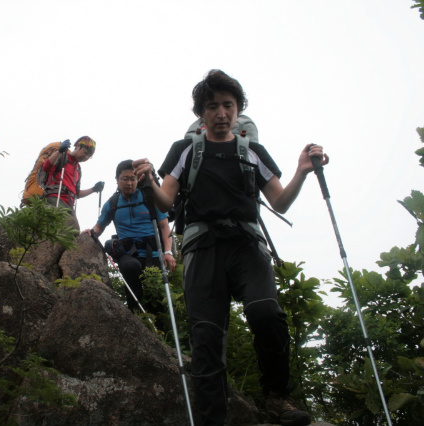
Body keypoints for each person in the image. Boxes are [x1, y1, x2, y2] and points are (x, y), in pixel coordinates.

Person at [132, 69, 328, 426]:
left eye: (228, 105)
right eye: (212, 107)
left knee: (266, 313)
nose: (221, 113)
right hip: (202, 247)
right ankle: (212, 419)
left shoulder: (252, 151)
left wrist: (301, 171)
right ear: (201, 114)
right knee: (206, 336)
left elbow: (280, 202)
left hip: (246, 244)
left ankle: (277, 398)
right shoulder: (185, 149)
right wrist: (148, 181)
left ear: (238, 110)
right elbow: (164, 203)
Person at [82, 160, 176, 313]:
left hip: (153, 253)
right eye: (125, 179)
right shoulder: (112, 204)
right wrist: (90, 233)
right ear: (117, 180)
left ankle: (160, 327)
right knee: (130, 267)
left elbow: (165, 226)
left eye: (133, 179)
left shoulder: (149, 198)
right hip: (128, 254)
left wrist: (168, 252)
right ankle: (135, 313)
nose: (129, 183)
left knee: (158, 300)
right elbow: (99, 227)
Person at [42, 136, 104, 213]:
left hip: (69, 205)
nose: (86, 157)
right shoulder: (63, 156)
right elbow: (46, 167)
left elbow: (77, 193)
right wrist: (60, 151)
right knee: (66, 222)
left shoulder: (78, 169)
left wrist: (94, 189)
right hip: (55, 199)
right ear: (78, 146)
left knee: (74, 225)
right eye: (85, 152)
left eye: (89, 156)